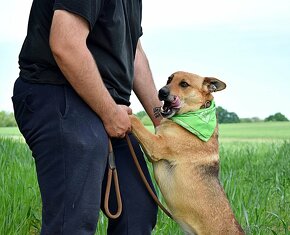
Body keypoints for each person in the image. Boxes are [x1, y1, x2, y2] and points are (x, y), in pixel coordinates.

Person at [12, 0, 162, 234]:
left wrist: (161, 120)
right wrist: (110, 113)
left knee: (137, 210)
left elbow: (133, 51)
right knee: (73, 221)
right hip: (57, 91)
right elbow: (65, 44)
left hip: (107, 105)